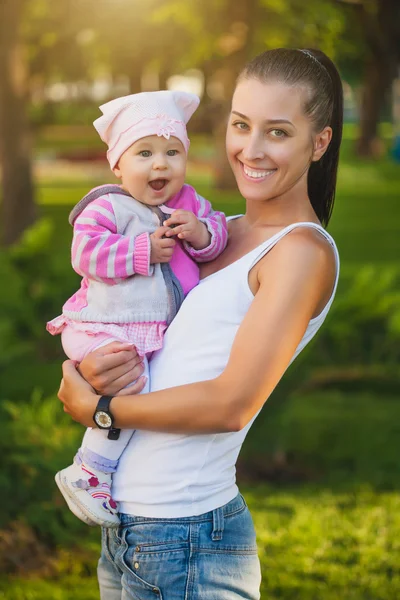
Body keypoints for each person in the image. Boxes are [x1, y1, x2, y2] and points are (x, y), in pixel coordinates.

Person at [58, 48, 343, 599]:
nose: (250, 150)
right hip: (130, 533)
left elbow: (230, 404)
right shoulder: (212, 231)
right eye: (241, 125)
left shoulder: (300, 253)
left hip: (187, 537)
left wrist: (99, 409)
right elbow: (144, 328)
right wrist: (92, 367)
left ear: (320, 142)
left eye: (278, 132)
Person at [47, 90, 228, 527]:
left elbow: (219, 235)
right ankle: (90, 470)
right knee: (131, 383)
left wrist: (201, 233)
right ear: (117, 164)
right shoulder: (107, 205)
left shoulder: (191, 205)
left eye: (172, 152)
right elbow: (86, 255)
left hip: (146, 329)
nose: (160, 164)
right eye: (143, 152)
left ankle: (105, 471)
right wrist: (141, 249)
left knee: (142, 384)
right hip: (102, 323)